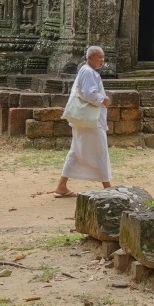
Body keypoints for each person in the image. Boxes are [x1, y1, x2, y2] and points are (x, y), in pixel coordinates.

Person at [52, 46, 113, 198]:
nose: (102, 60)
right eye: (100, 57)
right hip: (90, 121)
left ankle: (61, 185)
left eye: (103, 57)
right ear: (90, 58)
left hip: (87, 120)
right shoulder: (88, 71)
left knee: (77, 151)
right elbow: (88, 93)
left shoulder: (89, 71)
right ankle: (108, 188)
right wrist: (103, 100)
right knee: (100, 150)